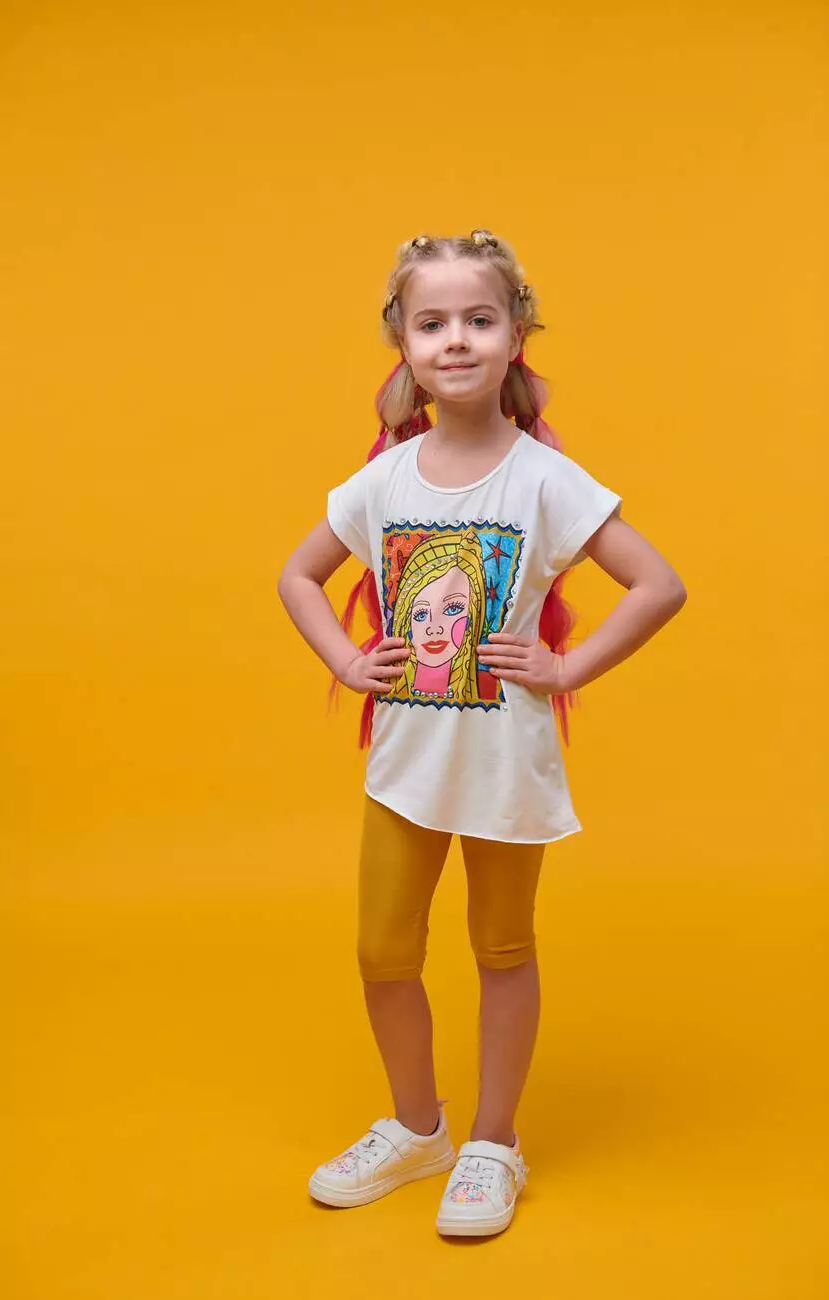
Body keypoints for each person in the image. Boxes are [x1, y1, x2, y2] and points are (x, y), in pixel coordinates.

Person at [277, 228, 687, 1238]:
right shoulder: (383, 481)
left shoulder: (546, 480)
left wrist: (565, 668)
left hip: (504, 769)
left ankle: (493, 1143)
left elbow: (657, 584)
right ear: (403, 345)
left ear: (515, 337)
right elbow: (299, 575)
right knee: (383, 951)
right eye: (432, 323)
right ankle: (417, 1127)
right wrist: (345, 660)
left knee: (502, 948)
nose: (455, 339)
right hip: (404, 770)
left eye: (477, 318)